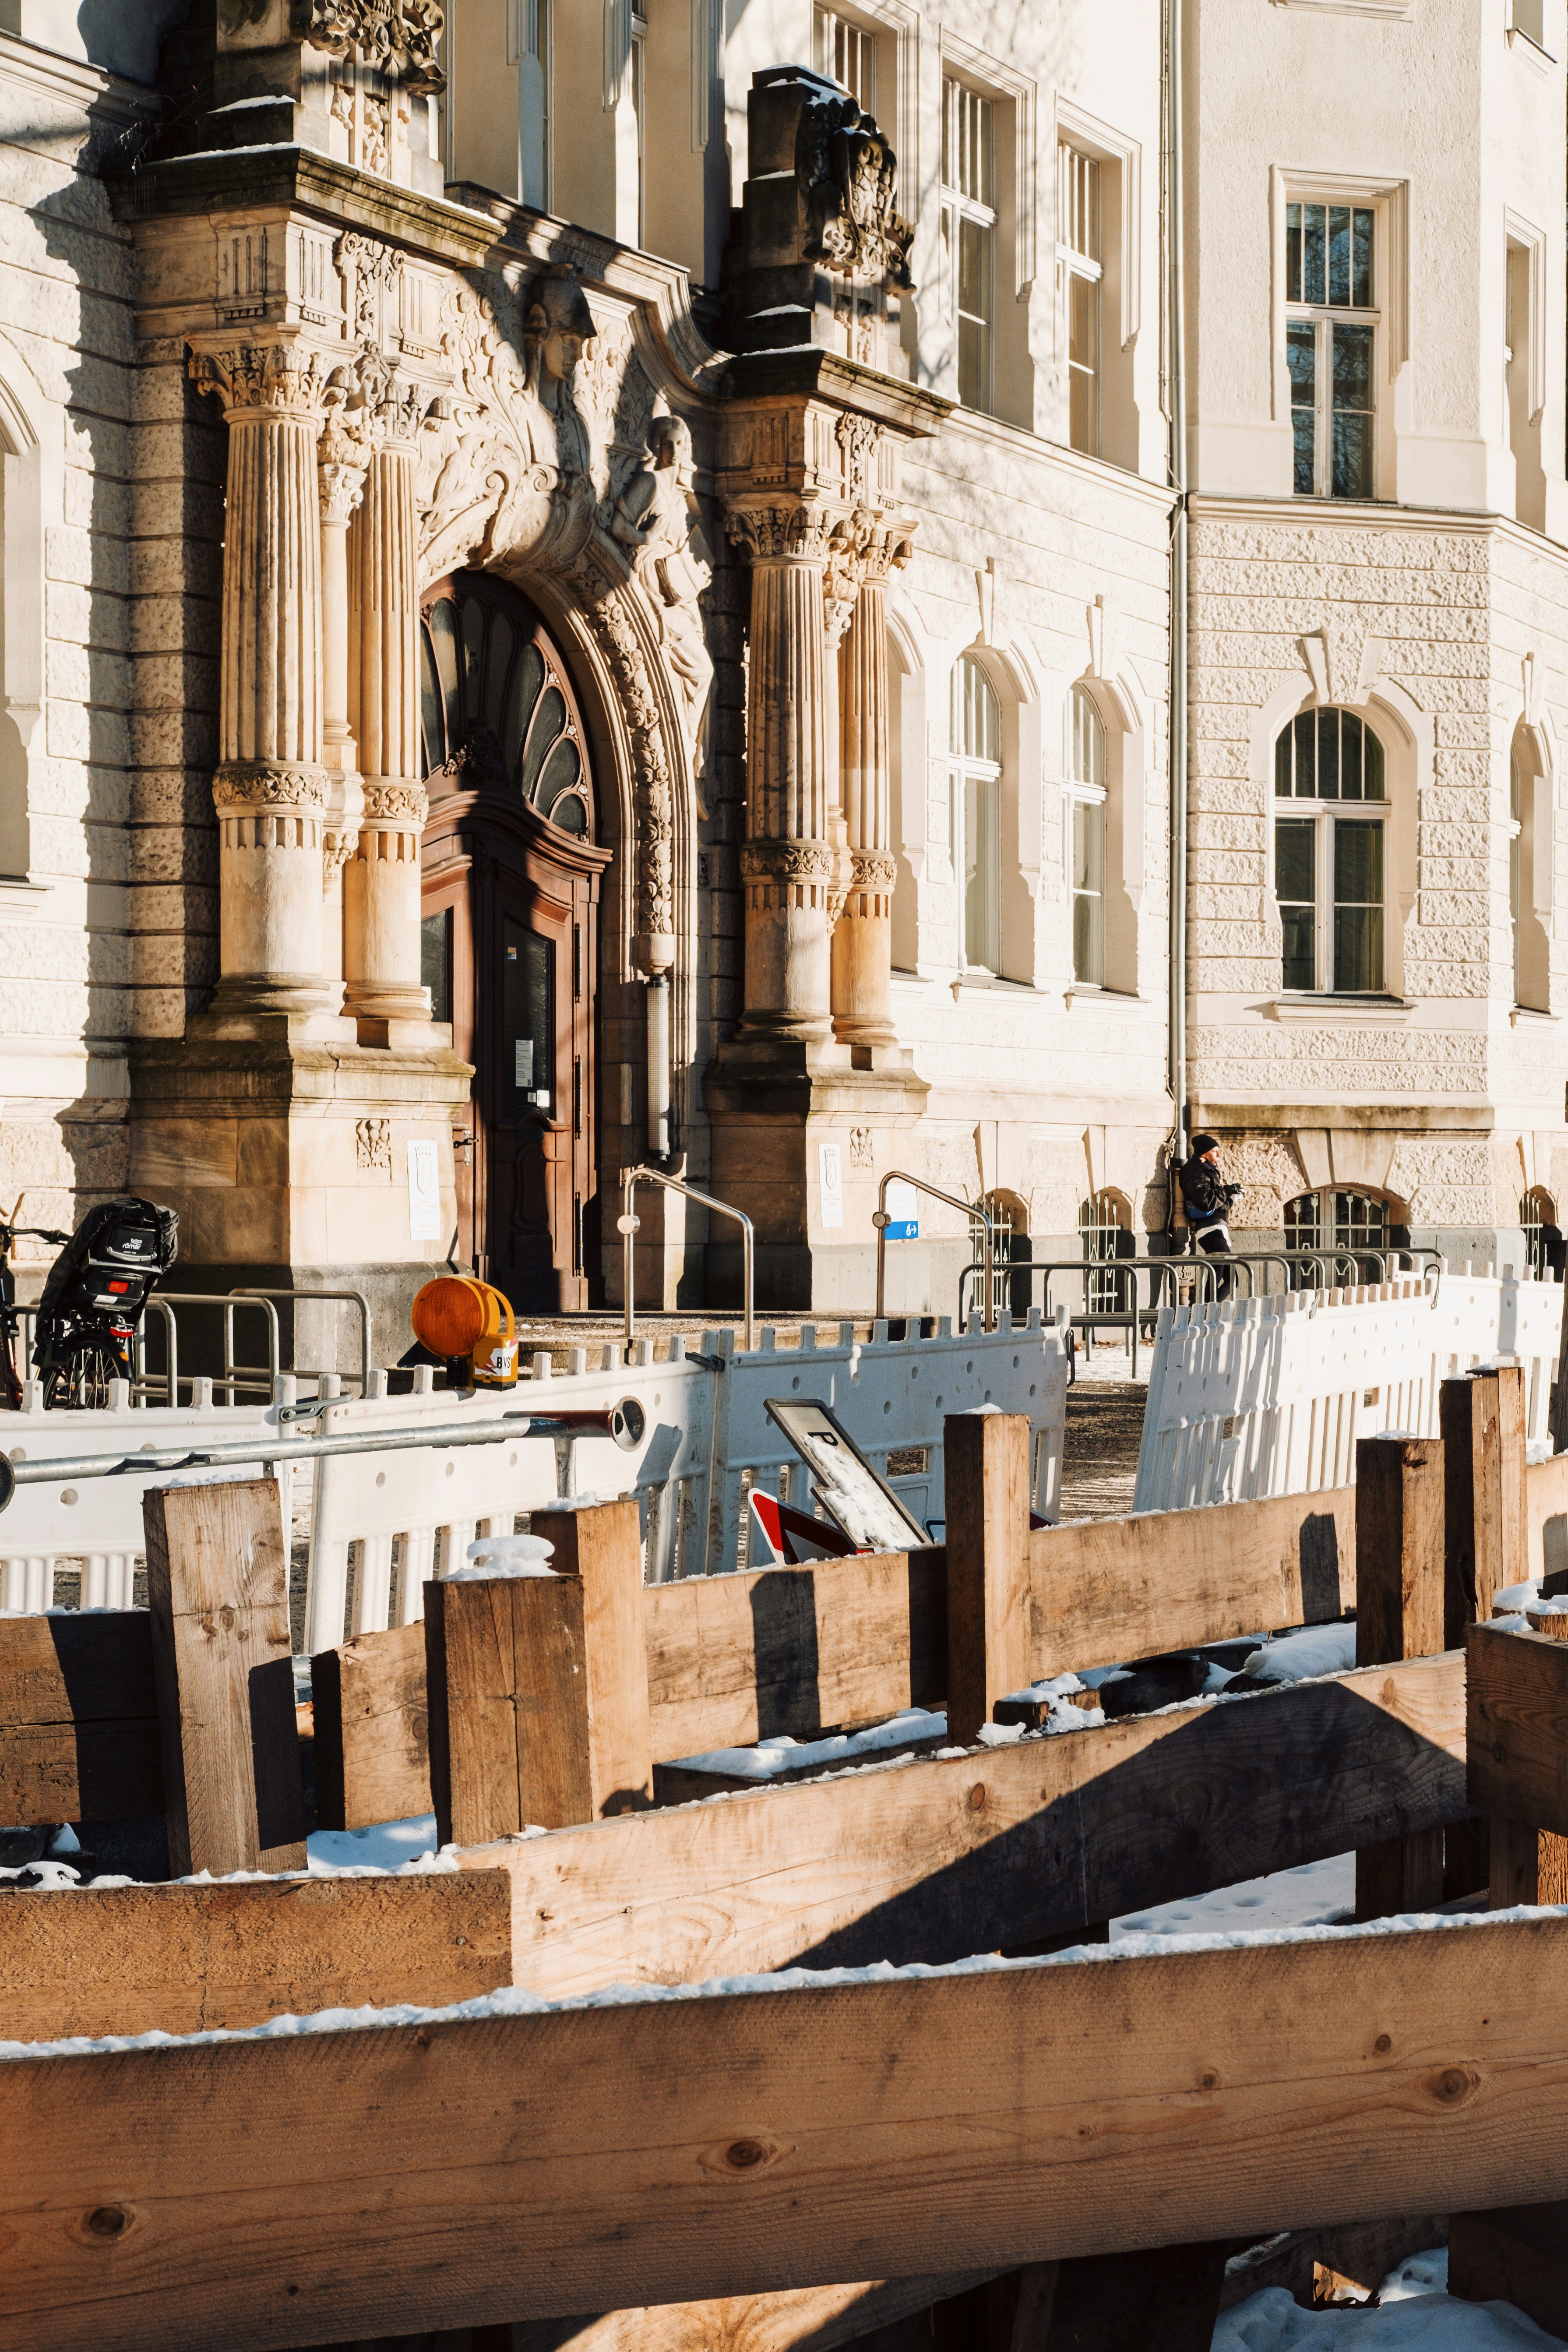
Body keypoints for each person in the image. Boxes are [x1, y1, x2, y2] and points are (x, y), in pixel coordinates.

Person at [1178, 1133, 1241, 1301]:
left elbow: (1214, 1201)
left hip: (1217, 1227)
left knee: (1232, 1280)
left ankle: (1206, 1313)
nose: (1219, 1156)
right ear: (1204, 1154)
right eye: (1215, 1151)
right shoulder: (1197, 1173)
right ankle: (1205, 1314)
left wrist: (1231, 1197)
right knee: (1217, 1275)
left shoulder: (1205, 1170)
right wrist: (1227, 1191)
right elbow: (1206, 1201)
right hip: (1210, 1229)